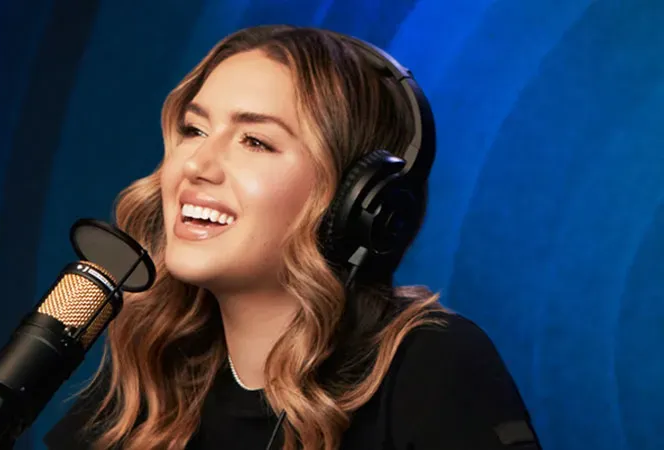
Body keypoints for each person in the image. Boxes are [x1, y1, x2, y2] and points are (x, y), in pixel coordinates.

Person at [43, 25, 540, 450]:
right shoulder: (156, 374)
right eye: (195, 130)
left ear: (357, 201)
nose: (196, 165)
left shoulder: (432, 364)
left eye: (255, 141)